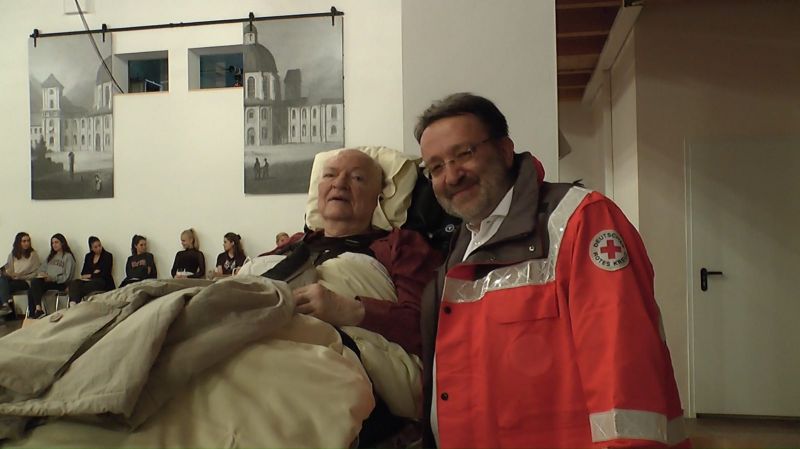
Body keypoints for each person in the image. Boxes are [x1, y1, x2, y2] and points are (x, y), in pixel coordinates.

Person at [416, 93, 688, 448]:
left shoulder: (581, 220)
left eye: (464, 153)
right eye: (435, 167)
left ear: (504, 149)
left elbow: (623, 365)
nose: (451, 176)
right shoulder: (462, 245)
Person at [262, 149, 441, 357]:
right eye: (329, 175)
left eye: (357, 177)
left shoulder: (401, 246)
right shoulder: (293, 245)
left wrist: (350, 310)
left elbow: (430, 329)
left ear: (379, 198)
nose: (339, 183)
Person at [27, 233, 76, 318]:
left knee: (33, 287)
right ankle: (37, 310)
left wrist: (52, 278)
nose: (54, 245)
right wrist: (42, 274)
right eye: (52, 243)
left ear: (62, 243)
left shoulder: (68, 257)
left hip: (60, 283)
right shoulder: (51, 257)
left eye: (56, 242)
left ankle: (36, 311)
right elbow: (41, 269)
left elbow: (67, 276)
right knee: (33, 286)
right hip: (47, 281)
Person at [0, 232, 41, 319]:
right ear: (18, 242)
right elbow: (9, 269)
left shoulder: (33, 255)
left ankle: (6, 306)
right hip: (13, 279)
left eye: (28, 241)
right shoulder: (12, 255)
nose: (27, 243)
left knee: (2, 286)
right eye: (24, 241)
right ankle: (6, 306)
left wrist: (21, 277)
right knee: (2, 280)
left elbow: (37, 272)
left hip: (26, 281)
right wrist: (7, 273)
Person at [67, 236, 115, 305]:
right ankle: (73, 303)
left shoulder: (107, 256)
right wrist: (94, 274)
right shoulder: (88, 256)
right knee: (74, 282)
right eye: (95, 247)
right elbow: (83, 273)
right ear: (91, 248)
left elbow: (105, 273)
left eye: (99, 245)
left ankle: (75, 303)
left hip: (103, 282)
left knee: (79, 288)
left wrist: (90, 275)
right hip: (90, 281)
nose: (99, 248)